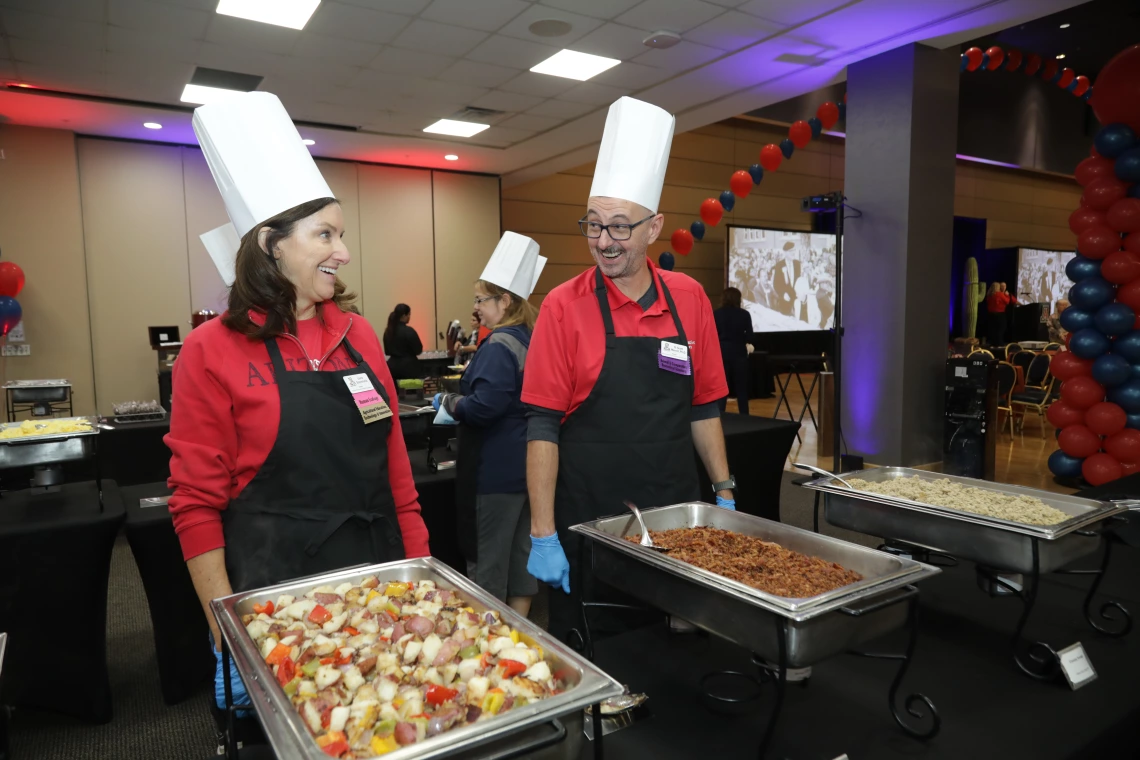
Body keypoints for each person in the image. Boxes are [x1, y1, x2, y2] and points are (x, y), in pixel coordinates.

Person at [167, 92, 431, 716]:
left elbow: (397, 472)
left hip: (380, 582)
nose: (342, 251)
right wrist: (222, 627)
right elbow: (195, 503)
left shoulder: (360, 335)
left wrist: (422, 576)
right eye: (324, 234)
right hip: (279, 597)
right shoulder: (210, 350)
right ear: (271, 244)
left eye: (341, 234)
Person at [521, 96, 734, 643]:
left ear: (654, 228)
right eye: (593, 226)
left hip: (671, 511)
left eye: (619, 227)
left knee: (671, 645)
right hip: (588, 515)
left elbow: (704, 405)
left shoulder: (689, 299)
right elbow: (542, 424)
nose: (603, 242)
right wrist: (543, 533)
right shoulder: (562, 306)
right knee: (595, 650)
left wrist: (724, 491)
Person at [433, 232, 547, 616]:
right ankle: (521, 641)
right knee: (520, 563)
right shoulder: (528, 339)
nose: (476, 306)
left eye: (482, 299)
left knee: (489, 570)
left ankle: (490, 656)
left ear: (506, 301)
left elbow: (484, 407)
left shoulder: (499, 346)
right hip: (525, 468)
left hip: (493, 472)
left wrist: (449, 401)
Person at [714, 287, 754, 416]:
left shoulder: (716, 314)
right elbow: (750, 337)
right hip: (739, 354)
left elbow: (711, 335)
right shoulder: (744, 314)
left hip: (721, 354)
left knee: (721, 389)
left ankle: (721, 416)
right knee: (742, 389)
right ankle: (745, 417)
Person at [383, 303, 422, 380]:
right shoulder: (409, 331)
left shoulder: (388, 331)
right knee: (411, 391)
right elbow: (418, 350)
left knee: (395, 391)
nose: (409, 317)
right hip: (410, 368)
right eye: (409, 315)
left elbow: (387, 351)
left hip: (392, 367)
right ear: (404, 316)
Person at [985, 282, 1016, 347]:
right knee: (1001, 329)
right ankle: (999, 343)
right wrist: (1007, 295)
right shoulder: (999, 294)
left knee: (993, 329)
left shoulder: (989, 294)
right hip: (999, 314)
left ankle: (993, 343)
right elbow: (1007, 302)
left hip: (991, 315)